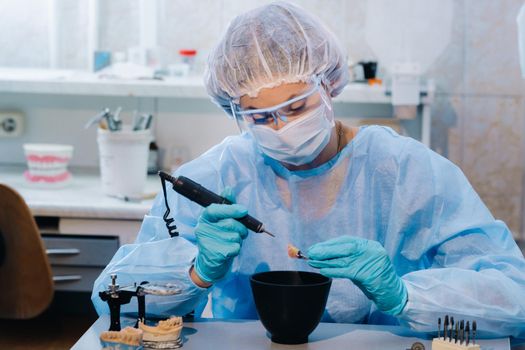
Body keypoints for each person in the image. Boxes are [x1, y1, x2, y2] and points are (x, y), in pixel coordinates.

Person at [92, 1, 525, 339]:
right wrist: (196, 272)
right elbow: (112, 299)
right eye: (260, 118)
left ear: (329, 83)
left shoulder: (406, 171)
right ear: (236, 112)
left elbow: (514, 300)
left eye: (297, 107)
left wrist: (405, 294)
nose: (282, 129)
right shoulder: (217, 175)